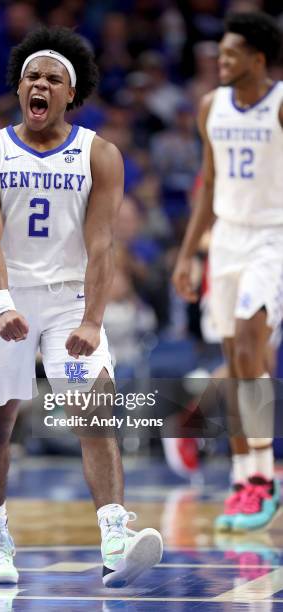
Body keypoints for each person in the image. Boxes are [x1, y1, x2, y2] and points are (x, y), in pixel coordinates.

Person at [0, 26, 162, 588]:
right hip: (7, 293)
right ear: (19, 87)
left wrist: (92, 319)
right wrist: (1, 304)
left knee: (93, 410)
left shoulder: (99, 153)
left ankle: (114, 537)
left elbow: (103, 245)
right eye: (32, 76)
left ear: (69, 94)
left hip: (72, 297)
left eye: (52, 77)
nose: (40, 84)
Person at [173, 11, 282, 532]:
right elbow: (208, 187)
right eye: (220, 54)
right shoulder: (210, 107)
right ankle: (245, 478)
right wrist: (188, 254)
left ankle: (263, 479)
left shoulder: (280, 105)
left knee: (246, 346)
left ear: (258, 60)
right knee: (235, 363)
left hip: (273, 238)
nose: (221, 61)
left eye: (231, 54)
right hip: (228, 241)